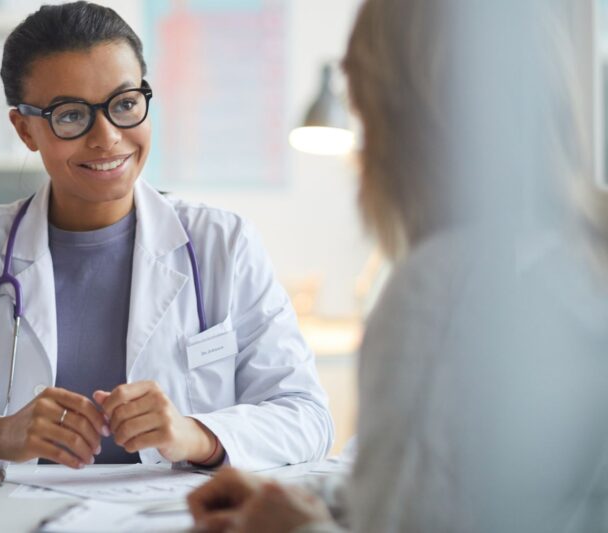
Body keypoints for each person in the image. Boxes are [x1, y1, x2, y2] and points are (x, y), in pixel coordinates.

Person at [188, 0, 608, 531]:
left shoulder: (441, 291)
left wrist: (295, 527)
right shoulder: (581, 247)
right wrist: (314, 496)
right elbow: (470, 491)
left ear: (395, 113)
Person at [0, 1, 333, 471]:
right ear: (25, 130)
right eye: (70, 115)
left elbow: (306, 416)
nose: (106, 136)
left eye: (125, 104)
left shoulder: (222, 244)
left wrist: (197, 435)